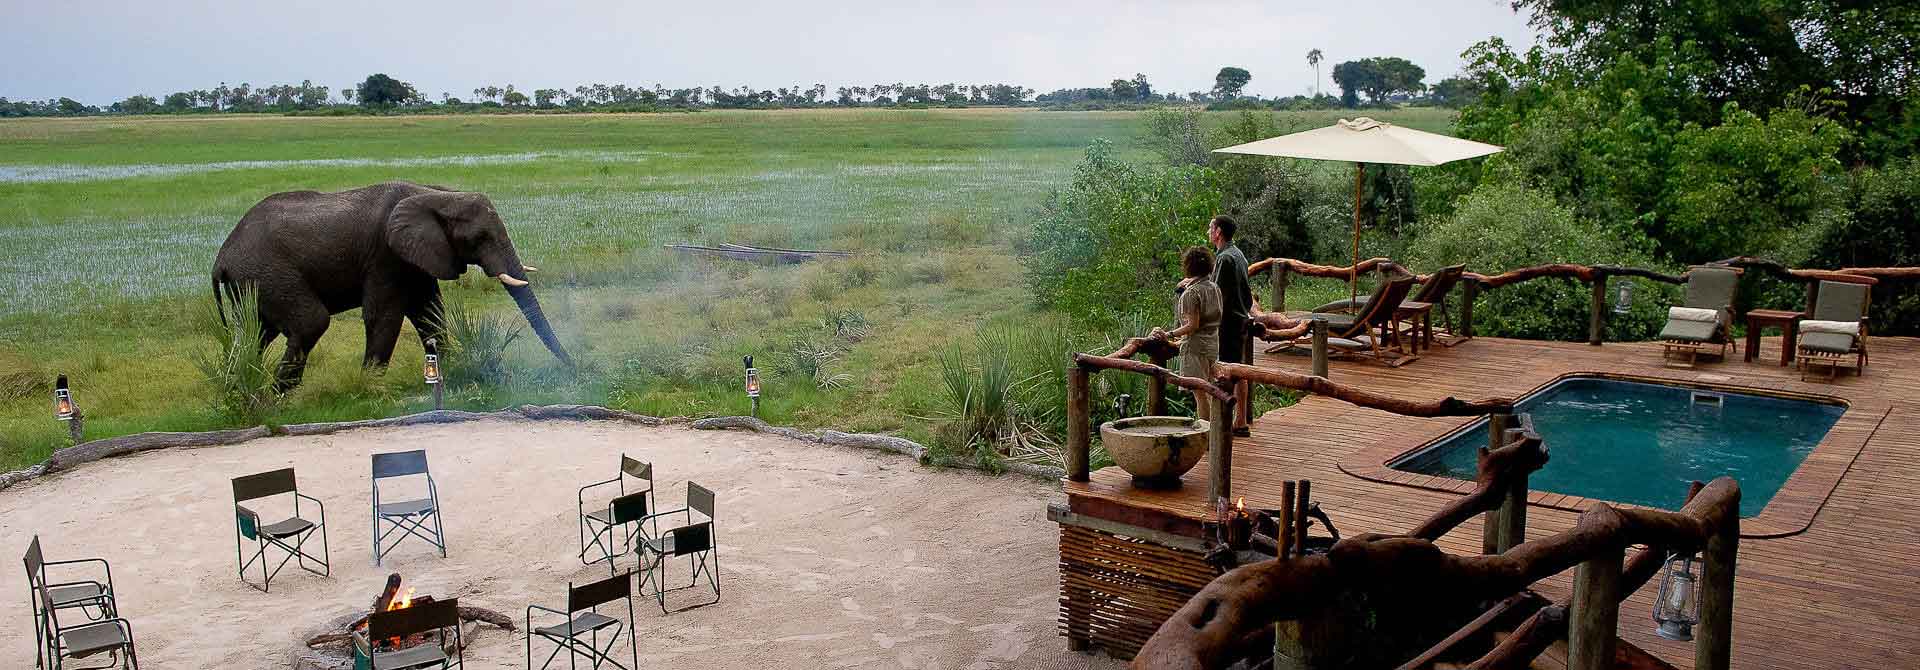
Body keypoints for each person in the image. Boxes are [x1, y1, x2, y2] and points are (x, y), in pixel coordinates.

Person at [1180, 215, 1253, 433]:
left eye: (1210, 227)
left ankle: (1221, 428)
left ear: (1218, 232)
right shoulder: (1238, 254)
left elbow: (1215, 293)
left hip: (1227, 324)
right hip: (1241, 319)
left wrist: (1191, 288)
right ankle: (1240, 421)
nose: (1208, 231)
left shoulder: (1224, 259)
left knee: (1227, 373)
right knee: (1238, 371)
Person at [1154, 246, 1222, 421]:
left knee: (1199, 393)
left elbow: (1192, 325)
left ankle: (1207, 435)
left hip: (1196, 347)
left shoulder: (1191, 293)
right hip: (1213, 343)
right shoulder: (1214, 288)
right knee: (1211, 391)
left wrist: (1168, 334)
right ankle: (1216, 431)